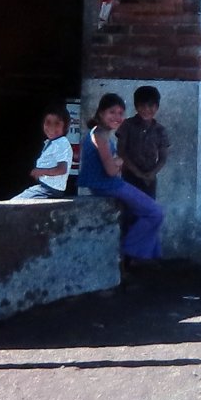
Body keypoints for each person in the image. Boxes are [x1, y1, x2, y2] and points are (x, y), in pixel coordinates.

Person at [77, 93, 164, 270]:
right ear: (101, 113)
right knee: (155, 212)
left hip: (108, 185)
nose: (117, 117)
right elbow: (110, 170)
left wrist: (116, 161)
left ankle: (137, 254)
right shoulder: (99, 136)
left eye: (120, 113)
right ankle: (128, 249)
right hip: (108, 185)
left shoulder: (100, 133)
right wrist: (119, 161)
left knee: (145, 212)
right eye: (112, 112)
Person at [116, 85, 170, 199]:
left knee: (149, 210)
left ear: (157, 107)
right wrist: (138, 173)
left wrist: (152, 173)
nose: (146, 109)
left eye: (150, 106)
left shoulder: (160, 130)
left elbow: (163, 157)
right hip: (129, 176)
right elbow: (121, 151)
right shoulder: (127, 125)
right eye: (142, 106)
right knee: (129, 210)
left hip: (150, 179)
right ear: (136, 106)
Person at [11, 103, 73, 200]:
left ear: (65, 126)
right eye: (48, 122)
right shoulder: (52, 143)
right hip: (46, 188)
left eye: (57, 123)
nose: (52, 128)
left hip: (49, 190)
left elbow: (62, 169)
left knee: (14, 203)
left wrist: (41, 171)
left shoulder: (62, 143)